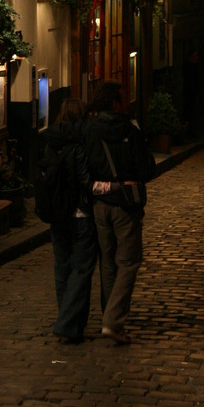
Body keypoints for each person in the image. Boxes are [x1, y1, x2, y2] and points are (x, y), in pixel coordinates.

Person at [84, 81, 156, 345]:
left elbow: (86, 166)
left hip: (100, 203)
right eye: (122, 99)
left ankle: (109, 316)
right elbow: (147, 169)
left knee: (108, 262)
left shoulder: (89, 130)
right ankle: (113, 321)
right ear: (115, 103)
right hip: (125, 205)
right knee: (129, 261)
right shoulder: (130, 129)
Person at [44, 98, 97, 344]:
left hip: (57, 214)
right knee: (82, 268)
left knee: (62, 267)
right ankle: (67, 322)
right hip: (79, 214)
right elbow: (86, 180)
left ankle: (72, 324)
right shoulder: (80, 144)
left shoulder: (50, 142)